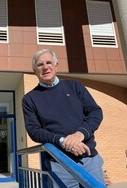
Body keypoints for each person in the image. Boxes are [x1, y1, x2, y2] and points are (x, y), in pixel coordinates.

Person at [22, 48, 105, 187]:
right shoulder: (29, 99)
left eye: (49, 62)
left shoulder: (75, 86)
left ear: (56, 65)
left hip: (89, 158)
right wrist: (64, 141)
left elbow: (95, 112)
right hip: (59, 163)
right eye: (40, 64)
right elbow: (34, 130)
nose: (45, 67)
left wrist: (80, 134)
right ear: (35, 70)